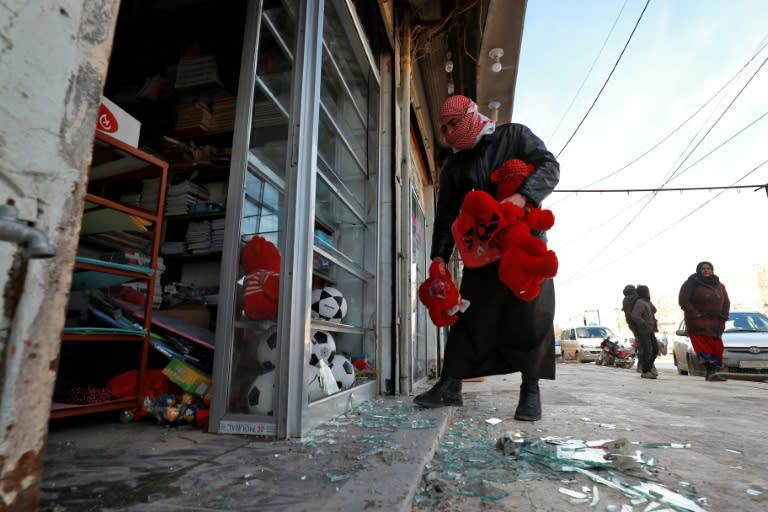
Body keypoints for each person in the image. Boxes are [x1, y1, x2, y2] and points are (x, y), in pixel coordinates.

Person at [413, 94, 560, 421]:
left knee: (530, 317)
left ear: (471, 114)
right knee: (472, 318)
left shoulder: (514, 136)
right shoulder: (454, 166)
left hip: (524, 249)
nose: (450, 131)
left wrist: (524, 196)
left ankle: (530, 391)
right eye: (445, 128)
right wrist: (439, 256)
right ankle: (450, 385)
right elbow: (446, 215)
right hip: (481, 253)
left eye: (454, 122)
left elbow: (550, 166)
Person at [678, 261, 730, 381]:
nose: (706, 270)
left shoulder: (719, 285)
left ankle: (713, 372)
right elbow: (683, 300)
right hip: (698, 323)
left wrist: (724, 316)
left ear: (712, 270)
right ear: (699, 271)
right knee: (704, 349)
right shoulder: (691, 283)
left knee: (716, 349)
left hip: (715, 324)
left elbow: (726, 302)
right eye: (703, 269)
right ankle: (711, 372)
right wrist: (695, 314)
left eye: (708, 268)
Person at [630, 285, 659, 379]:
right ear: (644, 292)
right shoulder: (640, 303)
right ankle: (645, 371)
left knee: (655, 349)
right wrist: (644, 323)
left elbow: (654, 310)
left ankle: (649, 367)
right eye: (648, 291)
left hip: (650, 330)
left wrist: (649, 302)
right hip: (643, 331)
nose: (649, 292)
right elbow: (635, 315)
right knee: (648, 350)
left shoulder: (646, 302)